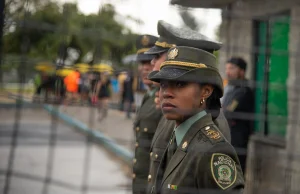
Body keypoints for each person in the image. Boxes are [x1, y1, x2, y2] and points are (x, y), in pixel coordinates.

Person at [144, 20, 231, 194]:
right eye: (163, 85)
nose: (152, 62)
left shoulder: (212, 140)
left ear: (205, 91)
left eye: (179, 84)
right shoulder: (178, 119)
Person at [132, 35, 163, 194]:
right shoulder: (148, 96)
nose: (145, 67)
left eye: (150, 61)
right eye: (142, 63)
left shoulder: (164, 100)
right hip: (141, 181)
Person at [222, 57, 254, 173]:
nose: (227, 72)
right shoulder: (231, 89)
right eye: (226, 68)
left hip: (237, 142)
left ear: (241, 71)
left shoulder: (244, 91)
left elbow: (228, 111)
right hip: (227, 138)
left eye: (231, 68)